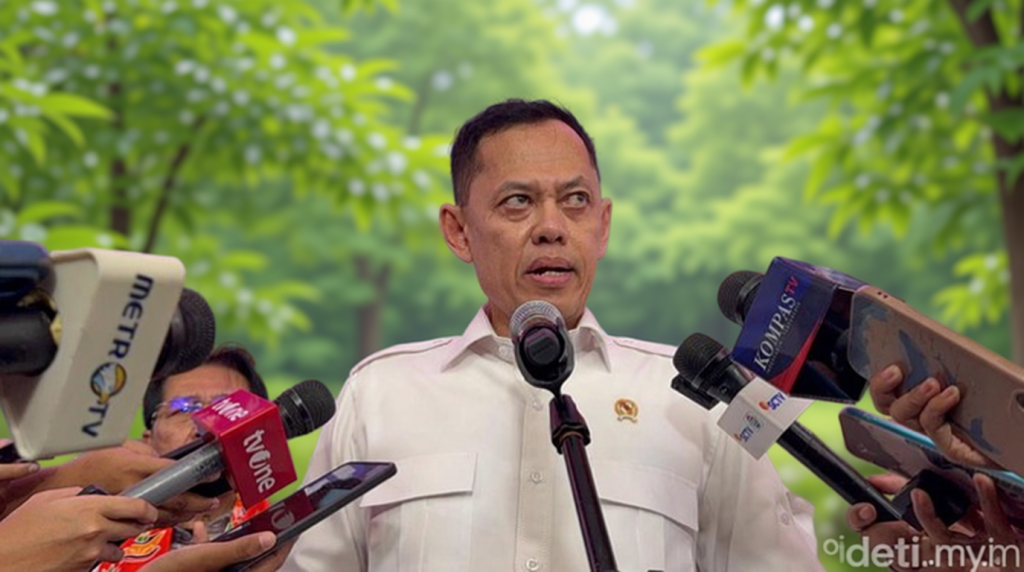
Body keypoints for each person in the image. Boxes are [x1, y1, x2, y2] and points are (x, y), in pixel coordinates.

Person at [282, 99, 823, 571]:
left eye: (576, 200)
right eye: (517, 201)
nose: (551, 227)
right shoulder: (379, 396)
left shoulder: (697, 402)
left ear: (602, 226)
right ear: (459, 230)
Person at [95, 343, 275, 572]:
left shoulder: (289, 540)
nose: (205, 426)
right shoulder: (96, 539)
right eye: (184, 409)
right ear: (148, 441)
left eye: (227, 409)